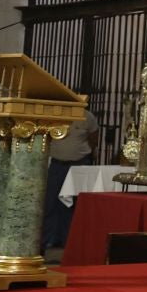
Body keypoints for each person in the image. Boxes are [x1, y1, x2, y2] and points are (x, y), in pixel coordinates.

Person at [43, 105, 100, 253]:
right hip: (57, 164)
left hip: (79, 164)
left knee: (72, 203)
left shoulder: (87, 116)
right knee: (51, 202)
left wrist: (88, 152)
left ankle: (67, 240)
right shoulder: (57, 114)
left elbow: (93, 137)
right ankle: (49, 238)